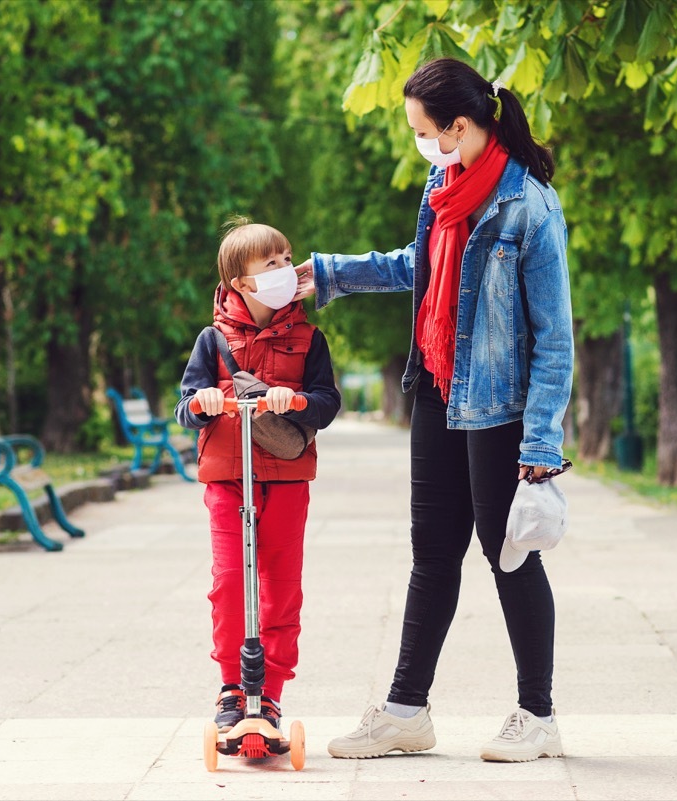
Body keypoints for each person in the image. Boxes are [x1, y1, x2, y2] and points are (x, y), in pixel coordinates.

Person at [293, 57, 574, 762]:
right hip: (439, 386)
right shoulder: (442, 185)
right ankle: (405, 712)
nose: (420, 142)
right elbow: (415, 264)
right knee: (432, 555)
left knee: (508, 554)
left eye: (425, 130)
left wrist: (540, 445)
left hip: (500, 406)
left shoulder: (530, 207)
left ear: (461, 125)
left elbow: (555, 340)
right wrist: (326, 273)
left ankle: (538, 715)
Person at [175, 218, 341, 734]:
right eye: (271, 263)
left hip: (286, 480)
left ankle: (269, 694)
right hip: (229, 480)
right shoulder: (212, 341)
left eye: (287, 259)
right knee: (230, 583)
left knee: (281, 589)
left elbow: (327, 402)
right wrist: (202, 402)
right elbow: (185, 408)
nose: (286, 269)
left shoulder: (309, 339)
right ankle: (232, 686)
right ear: (241, 283)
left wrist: (297, 400)